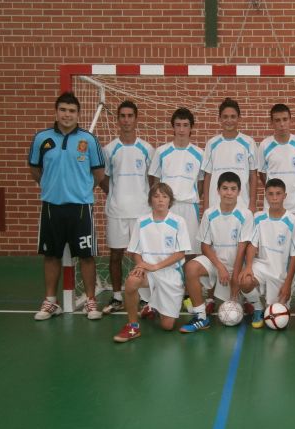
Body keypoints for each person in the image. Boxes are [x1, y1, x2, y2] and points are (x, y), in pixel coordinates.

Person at [28, 92, 105, 321]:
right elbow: (34, 169)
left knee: (86, 256)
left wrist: (81, 190)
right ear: (56, 112)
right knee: (51, 254)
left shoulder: (89, 140)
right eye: (63, 110)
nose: (67, 115)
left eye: (71, 111)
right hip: (51, 206)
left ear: (78, 114)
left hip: (81, 207)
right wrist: (50, 186)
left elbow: (99, 173)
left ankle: (91, 301)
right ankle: (51, 301)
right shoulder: (42, 138)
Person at [113, 183, 191, 342]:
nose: (160, 200)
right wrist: (141, 265)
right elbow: (135, 251)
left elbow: (180, 253)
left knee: (167, 326)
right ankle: (133, 327)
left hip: (170, 273)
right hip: (148, 272)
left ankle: (152, 305)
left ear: (170, 200)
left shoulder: (178, 221)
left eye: (164, 196)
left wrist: (155, 266)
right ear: (150, 201)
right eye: (156, 196)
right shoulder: (141, 222)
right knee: (131, 282)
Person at [257, 104, 295, 314]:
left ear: (290, 120)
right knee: (272, 251)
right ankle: (270, 292)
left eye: (285, 119)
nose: (281, 124)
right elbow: (263, 175)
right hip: (272, 210)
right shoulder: (264, 145)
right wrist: (276, 197)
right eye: (277, 120)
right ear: (271, 123)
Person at [180, 172, 254, 333]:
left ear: (239, 192)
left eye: (233, 189)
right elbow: (205, 246)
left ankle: (250, 300)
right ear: (218, 190)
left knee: (241, 292)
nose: (229, 192)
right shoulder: (209, 214)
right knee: (191, 267)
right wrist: (220, 267)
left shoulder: (246, 215)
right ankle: (201, 317)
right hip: (216, 263)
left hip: (237, 265)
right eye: (225, 188)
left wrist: (235, 275)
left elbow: (243, 247)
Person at [100, 100, 155, 314]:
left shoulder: (147, 149)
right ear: (117, 119)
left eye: (130, 116)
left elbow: (152, 180)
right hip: (117, 212)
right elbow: (103, 179)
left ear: (136, 118)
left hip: (141, 213)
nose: (126, 120)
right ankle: (116, 296)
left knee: (140, 257)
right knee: (115, 254)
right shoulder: (109, 149)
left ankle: (143, 297)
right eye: (122, 116)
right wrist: (115, 195)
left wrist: (143, 200)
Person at [148, 107, 204, 314]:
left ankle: (188, 297)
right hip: (167, 209)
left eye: (185, 125)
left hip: (189, 207)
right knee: (165, 251)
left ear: (191, 128)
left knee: (189, 254)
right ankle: (158, 296)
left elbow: (201, 184)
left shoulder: (199, 153)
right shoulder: (162, 152)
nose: (181, 129)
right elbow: (153, 181)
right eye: (178, 125)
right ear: (173, 127)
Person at [239, 179, 295, 328]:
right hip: (261, 266)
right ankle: (257, 308)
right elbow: (252, 245)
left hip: (281, 273)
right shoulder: (258, 217)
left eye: (278, 194)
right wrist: (248, 267)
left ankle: (271, 304)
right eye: (271, 194)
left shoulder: (293, 221)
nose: (274, 197)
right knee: (244, 280)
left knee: (277, 321)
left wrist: (287, 283)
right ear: (266, 196)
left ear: (284, 196)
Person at [202, 98, 257, 213]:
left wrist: (252, 203)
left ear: (239, 118)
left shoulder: (248, 142)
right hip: (215, 204)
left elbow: (253, 175)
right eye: (225, 117)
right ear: (219, 119)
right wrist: (206, 204)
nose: (229, 120)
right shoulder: (212, 144)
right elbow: (207, 176)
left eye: (233, 116)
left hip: (242, 204)